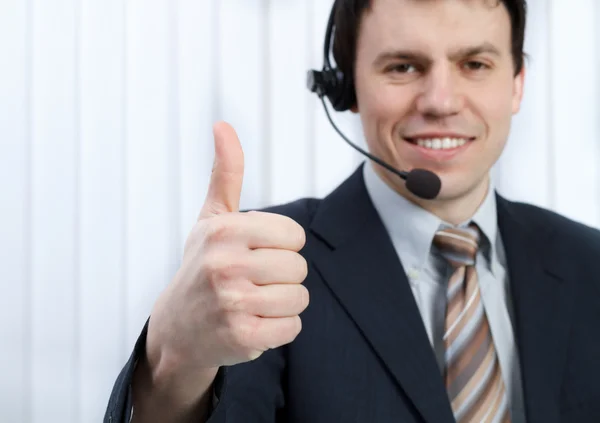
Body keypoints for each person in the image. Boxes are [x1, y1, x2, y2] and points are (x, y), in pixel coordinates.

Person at [105, 0, 600, 422]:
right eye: (403, 67)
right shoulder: (261, 265)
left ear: (516, 83)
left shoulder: (589, 263)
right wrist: (174, 362)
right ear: (346, 89)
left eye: (475, 64)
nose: (441, 101)